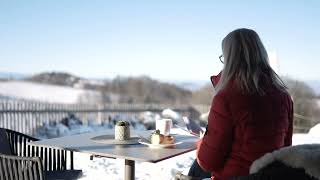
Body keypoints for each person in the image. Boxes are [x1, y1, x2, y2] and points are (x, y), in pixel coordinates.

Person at [196, 28, 293, 180]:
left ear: (230, 59)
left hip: (236, 176)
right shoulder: (284, 96)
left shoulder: (226, 98)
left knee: (196, 169)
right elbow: (286, 149)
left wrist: (201, 143)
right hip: (269, 176)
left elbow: (208, 162)